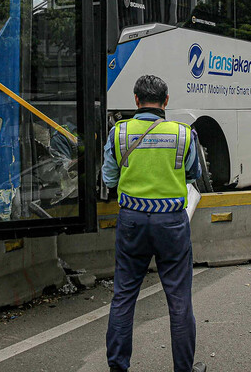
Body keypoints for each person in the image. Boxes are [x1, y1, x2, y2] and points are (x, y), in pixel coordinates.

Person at [101, 75, 206, 372]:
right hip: (171, 223)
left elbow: (109, 178)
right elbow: (192, 173)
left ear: (136, 100)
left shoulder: (118, 133)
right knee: (180, 300)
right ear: (166, 101)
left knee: (123, 296)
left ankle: (118, 367)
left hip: (132, 221)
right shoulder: (184, 134)